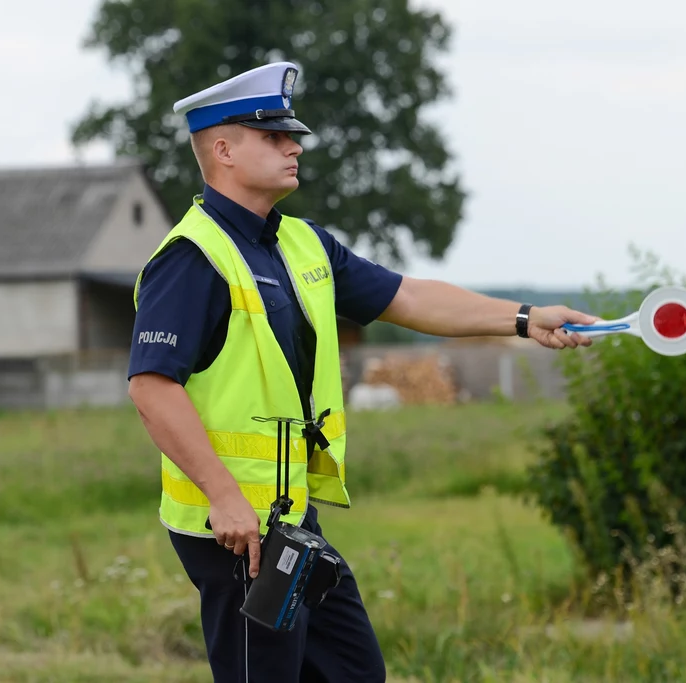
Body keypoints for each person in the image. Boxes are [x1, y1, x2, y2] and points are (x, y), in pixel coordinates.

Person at [127, 60, 597, 683]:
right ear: (223, 149)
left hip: (291, 522)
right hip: (236, 533)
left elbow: (409, 297)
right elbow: (151, 387)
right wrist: (222, 496)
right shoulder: (191, 258)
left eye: (291, 134)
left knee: (353, 671)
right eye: (273, 136)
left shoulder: (302, 244)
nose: (294, 145)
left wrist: (525, 318)